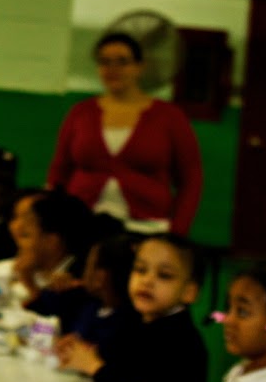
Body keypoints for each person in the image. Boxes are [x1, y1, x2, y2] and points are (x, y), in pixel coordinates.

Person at [58, 233, 208, 382]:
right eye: (140, 270)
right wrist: (87, 351)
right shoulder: (137, 320)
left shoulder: (183, 342)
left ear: (189, 292)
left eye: (164, 275)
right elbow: (118, 360)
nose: (147, 281)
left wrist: (94, 367)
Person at [47, 32, 203, 235]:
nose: (113, 69)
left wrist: (178, 229)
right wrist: (52, 220)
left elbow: (191, 179)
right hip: (81, 223)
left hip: (146, 227)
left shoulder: (169, 117)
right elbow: (59, 170)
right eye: (105, 62)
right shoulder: (81, 113)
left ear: (139, 66)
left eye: (122, 62)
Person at [12, 189, 95, 306]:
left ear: (51, 241)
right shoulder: (42, 271)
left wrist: (28, 283)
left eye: (26, 236)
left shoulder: (75, 281)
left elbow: (48, 320)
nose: (19, 244)